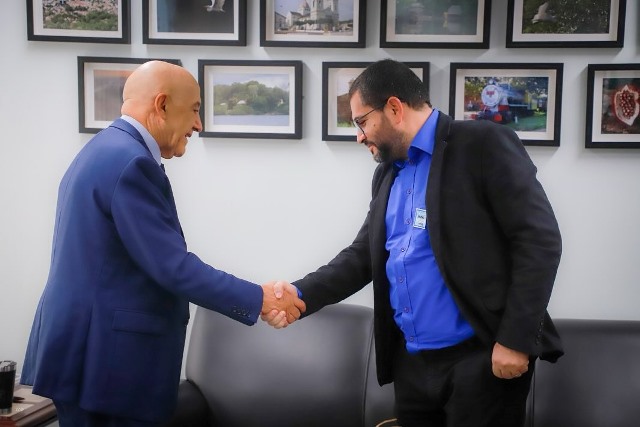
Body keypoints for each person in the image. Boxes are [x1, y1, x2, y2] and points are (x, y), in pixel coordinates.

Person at [264, 59, 563, 427]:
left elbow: (539, 240)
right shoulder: (386, 173)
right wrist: (299, 294)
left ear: (394, 108)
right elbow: (363, 256)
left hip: (481, 362)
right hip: (412, 367)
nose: (359, 136)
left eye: (361, 122)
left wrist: (515, 340)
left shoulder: (482, 144)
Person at [21, 61, 305, 427]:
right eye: (195, 110)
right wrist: (260, 298)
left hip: (87, 354)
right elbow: (172, 266)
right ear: (162, 105)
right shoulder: (131, 163)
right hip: (107, 363)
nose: (198, 125)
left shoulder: (104, 149)